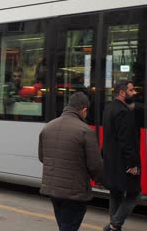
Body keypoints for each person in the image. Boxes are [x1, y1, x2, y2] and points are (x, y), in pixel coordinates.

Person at [38, 92, 103, 231]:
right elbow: (95, 165)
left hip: (53, 190)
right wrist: (102, 181)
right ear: (84, 110)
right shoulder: (85, 130)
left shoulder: (48, 126)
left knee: (64, 225)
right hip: (75, 192)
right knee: (69, 227)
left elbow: (42, 157)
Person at [102, 80, 141, 231]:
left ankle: (114, 228)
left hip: (112, 162)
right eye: (131, 90)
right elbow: (127, 142)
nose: (134, 93)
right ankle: (114, 224)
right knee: (134, 194)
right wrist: (132, 164)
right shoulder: (124, 112)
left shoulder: (109, 109)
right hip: (124, 164)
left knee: (116, 194)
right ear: (122, 93)